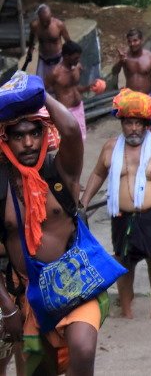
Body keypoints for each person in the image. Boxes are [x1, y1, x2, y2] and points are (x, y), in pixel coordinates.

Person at [0, 73, 112, 375]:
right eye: (18, 136)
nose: (28, 143)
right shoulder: (1, 185)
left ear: (45, 133)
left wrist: (38, 92)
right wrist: (8, 307)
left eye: (35, 133)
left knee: (83, 349)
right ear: (5, 140)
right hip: (27, 294)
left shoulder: (61, 170)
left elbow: (72, 130)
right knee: (39, 370)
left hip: (75, 281)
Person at [82, 88, 151, 319]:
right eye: (128, 123)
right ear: (122, 124)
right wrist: (84, 202)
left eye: (138, 123)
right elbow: (98, 174)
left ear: (146, 124)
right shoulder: (111, 147)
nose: (133, 128)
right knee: (124, 262)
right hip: (121, 216)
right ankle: (127, 312)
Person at [43, 40, 97, 140]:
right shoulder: (55, 73)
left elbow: (75, 87)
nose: (78, 60)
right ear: (66, 56)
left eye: (79, 57)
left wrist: (88, 87)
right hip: (65, 111)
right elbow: (42, 91)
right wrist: (52, 108)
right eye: (76, 58)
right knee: (68, 141)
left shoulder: (77, 67)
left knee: (81, 139)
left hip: (79, 108)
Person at [112, 28, 151, 118]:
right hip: (130, 100)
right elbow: (114, 72)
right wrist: (120, 62)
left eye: (135, 40)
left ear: (141, 40)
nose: (132, 44)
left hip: (147, 98)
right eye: (129, 41)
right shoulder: (125, 57)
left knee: (148, 125)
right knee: (131, 126)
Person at [25, 4, 71, 80]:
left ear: (51, 16)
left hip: (58, 59)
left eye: (47, 21)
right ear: (39, 18)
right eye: (43, 21)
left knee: (60, 83)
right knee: (40, 83)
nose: (45, 24)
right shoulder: (35, 26)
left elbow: (69, 42)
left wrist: (71, 58)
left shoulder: (59, 25)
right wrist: (30, 50)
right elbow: (31, 39)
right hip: (43, 60)